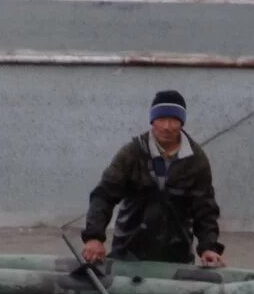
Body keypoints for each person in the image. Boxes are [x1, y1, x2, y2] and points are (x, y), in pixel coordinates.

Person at [81, 89, 225, 266]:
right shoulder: (132, 153)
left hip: (176, 253)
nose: (166, 126)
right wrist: (94, 237)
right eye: (161, 118)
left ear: (182, 122)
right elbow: (104, 195)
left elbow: (205, 209)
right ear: (152, 120)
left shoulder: (196, 160)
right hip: (128, 250)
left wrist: (208, 247)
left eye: (173, 120)